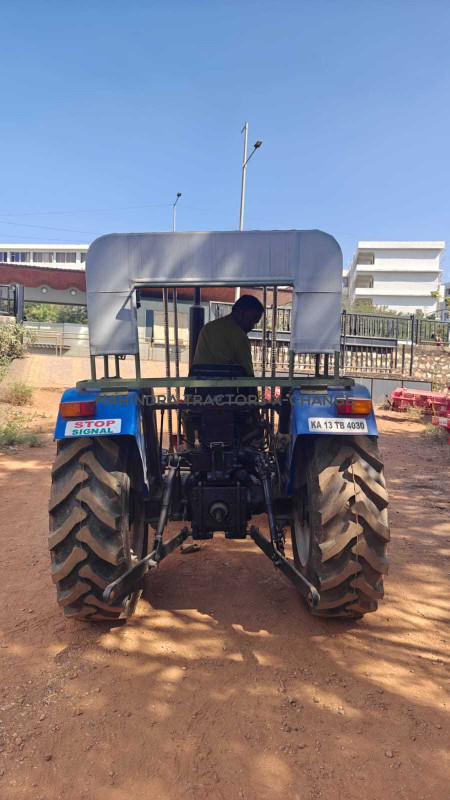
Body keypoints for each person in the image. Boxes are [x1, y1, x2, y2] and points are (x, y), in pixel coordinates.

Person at [193, 294, 264, 375]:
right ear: (238, 311)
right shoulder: (240, 337)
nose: (251, 327)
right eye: (250, 320)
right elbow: (248, 376)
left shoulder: (208, 328)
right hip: (225, 386)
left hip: (199, 385)